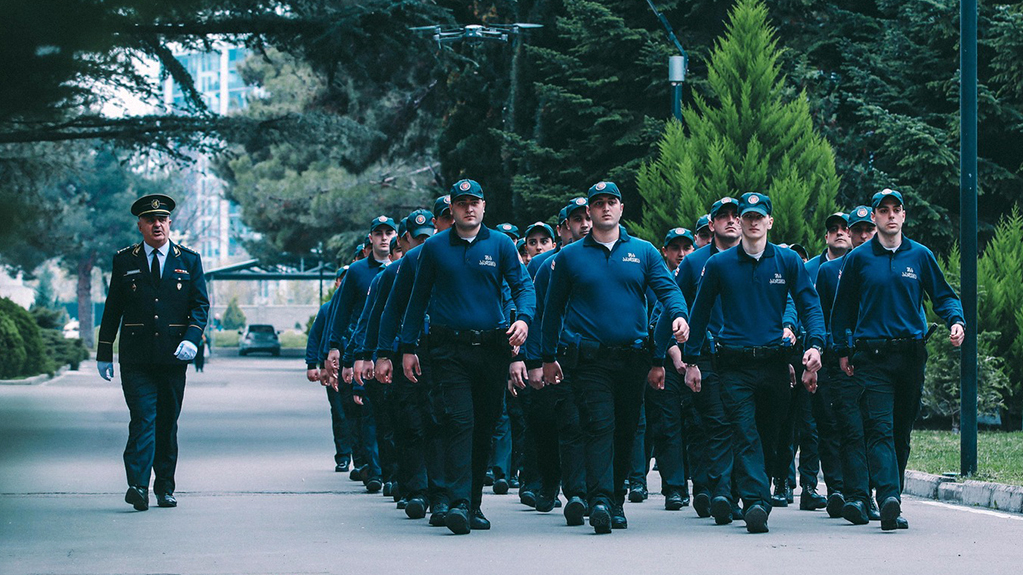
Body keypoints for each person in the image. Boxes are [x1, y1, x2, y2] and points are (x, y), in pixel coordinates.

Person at [541, 181, 689, 534]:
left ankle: (616, 499)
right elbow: (553, 311)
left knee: (625, 430)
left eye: (612, 202)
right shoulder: (570, 256)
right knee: (598, 424)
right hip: (589, 360)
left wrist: (680, 316)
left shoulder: (644, 252)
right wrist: (546, 357)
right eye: (598, 204)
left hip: (632, 359)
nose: (605, 208)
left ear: (621, 208)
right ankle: (601, 500)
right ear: (589, 213)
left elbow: (668, 291)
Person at [683, 192, 825, 534]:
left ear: (769, 222)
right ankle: (757, 502)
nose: (752, 222)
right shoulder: (719, 265)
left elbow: (809, 303)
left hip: (774, 365)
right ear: (742, 222)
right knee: (744, 433)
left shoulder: (787, 262)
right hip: (733, 365)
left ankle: (754, 491)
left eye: (759, 216)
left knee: (769, 435)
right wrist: (691, 361)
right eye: (747, 217)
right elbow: (699, 315)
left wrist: (816, 345)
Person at [400, 179, 536, 534]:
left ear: (484, 206)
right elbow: (417, 300)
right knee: (459, 422)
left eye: (474, 202)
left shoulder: (502, 244)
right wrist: (406, 348)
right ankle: (458, 502)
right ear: (453, 209)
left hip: (492, 349)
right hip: (449, 350)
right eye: (461, 204)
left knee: (485, 426)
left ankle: (472, 503)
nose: (468, 208)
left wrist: (523, 319)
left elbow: (522, 287)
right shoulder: (434, 248)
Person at [831, 189, 964, 531]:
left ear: (904, 216)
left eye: (896, 210)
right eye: (883, 210)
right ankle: (889, 498)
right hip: (871, 357)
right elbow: (841, 310)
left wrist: (956, 321)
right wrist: (843, 351)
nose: (890, 215)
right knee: (879, 429)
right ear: (874, 217)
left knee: (901, 431)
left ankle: (891, 491)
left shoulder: (919, 256)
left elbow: (943, 295)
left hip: (910, 356)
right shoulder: (858, 258)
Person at [96, 194, 210, 511]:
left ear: (170, 223)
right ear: (140, 226)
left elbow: (200, 306)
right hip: (136, 359)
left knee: (166, 423)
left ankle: (165, 488)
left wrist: (192, 338)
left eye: (162, 219)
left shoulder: (188, 260)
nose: (156, 225)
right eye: (150, 220)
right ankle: (137, 486)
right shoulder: (125, 260)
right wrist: (104, 352)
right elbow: (112, 309)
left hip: (173, 358)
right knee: (143, 419)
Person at [652, 197, 742, 524]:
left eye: (736, 215)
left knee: (740, 425)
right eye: (723, 217)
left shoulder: (754, 258)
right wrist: (658, 356)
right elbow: (671, 305)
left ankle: (729, 490)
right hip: (704, 355)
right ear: (711, 225)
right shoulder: (694, 263)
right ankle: (716, 490)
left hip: (745, 358)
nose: (731, 221)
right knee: (714, 424)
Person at [522, 197, 592, 524]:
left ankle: (580, 491)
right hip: (553, 357)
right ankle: (550, 480)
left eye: (587, 218)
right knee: (549, 424)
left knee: (582, 424)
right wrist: (533, 360)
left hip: (588, 357)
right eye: (577, 220)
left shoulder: (600, 260)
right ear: (563, 228)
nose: (585, 225)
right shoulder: (542, 265)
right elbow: (535, 316)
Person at [325, 215, 398, 493]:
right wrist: (337, 351)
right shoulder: (356, 271)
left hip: (393, 349)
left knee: (395, 415)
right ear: (370, 238)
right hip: (362, 352)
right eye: (378, 233)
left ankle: (393, 473)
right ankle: (376, 470)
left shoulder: (403, 268)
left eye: (389, 232)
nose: (383, 238)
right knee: (369, 413)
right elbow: (341, 314)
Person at [814, 205, 875, 518]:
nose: (863, 236)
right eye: (857, 230)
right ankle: (844, 491)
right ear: (848, 234)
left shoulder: (881, 266)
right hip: (837, 359)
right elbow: (822, 316)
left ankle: (868, 493)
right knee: (840, 427)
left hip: (871, 359)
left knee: (871, 428)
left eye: (869, 230)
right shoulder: (828, 271)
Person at [306, 268, 353, 473]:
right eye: (343, 280)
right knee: (340, 413)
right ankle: (343, 456)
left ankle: (365, 460)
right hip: (334, 367)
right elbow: (315, 337)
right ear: (336, 283)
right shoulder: (328, 309)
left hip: (358, 366)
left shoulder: (359, 306)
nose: (346, 284)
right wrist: (312, 364)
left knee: (360, 415)